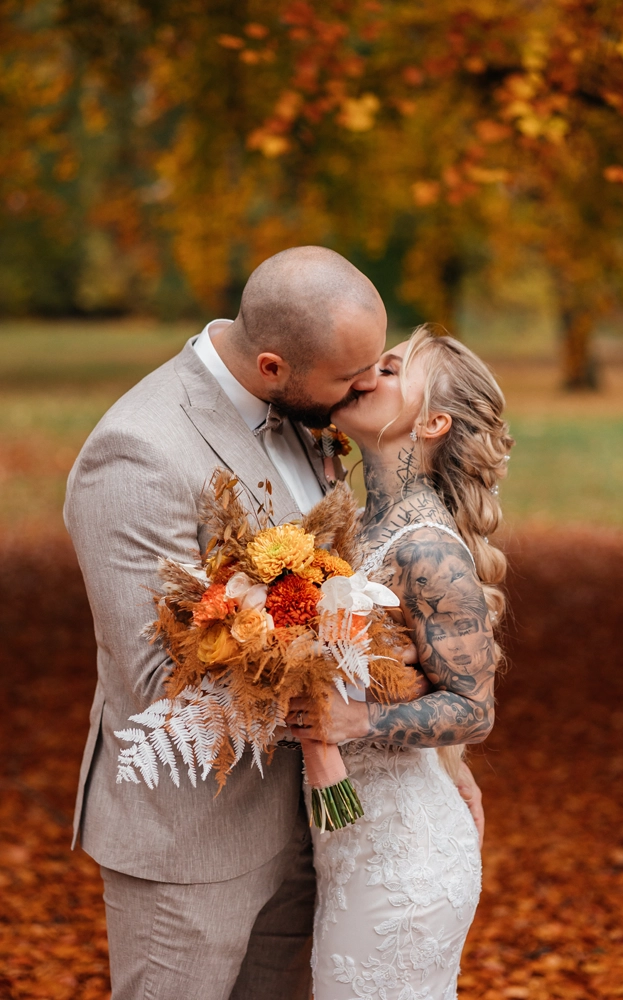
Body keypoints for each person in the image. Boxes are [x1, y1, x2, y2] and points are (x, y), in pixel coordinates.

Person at [64, 247, 484, 1000]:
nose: (367, 385)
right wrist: (347, 702)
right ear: (272, 368)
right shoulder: (138, 452)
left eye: (378, 367)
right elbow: (161, 679)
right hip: (197, 845)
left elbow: (374, 616)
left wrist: (430, 755)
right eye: (352, 375)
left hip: (325, 832)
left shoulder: (310, 413)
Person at [287, 326, 513, 999]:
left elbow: (473, 709)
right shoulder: (357, 524)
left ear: (432, 422)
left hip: (404, 867)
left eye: (389, 370)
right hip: (352, 846)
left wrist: (357, 721)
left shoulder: (427, 550)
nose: (365, 375)